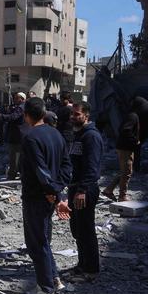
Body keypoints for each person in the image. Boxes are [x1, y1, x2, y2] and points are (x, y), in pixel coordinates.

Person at [18, 97, 72, 294]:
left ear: (27, 115)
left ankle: (45, 289)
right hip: (48, 196)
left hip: (36, 197)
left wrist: (51, 190)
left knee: (36, 243)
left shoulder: (30, 138)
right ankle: (54, 278)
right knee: (44, 240)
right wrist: (58, 191)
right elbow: (67, 166)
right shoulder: (56, 134)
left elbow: (40, 170)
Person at [56, 102, 103, 283]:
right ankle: (82, 265)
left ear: (86, 116)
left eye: (77, 114)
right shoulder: (79, 135)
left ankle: (91, 270)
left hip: (86, 189)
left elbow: (92, 167)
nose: (73, 117)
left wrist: (82, 190)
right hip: (76, 187)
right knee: (77, 229)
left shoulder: (91, 136)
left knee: (86, 229)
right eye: (72, 114)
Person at [102, 96, 148, 202]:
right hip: (125, 148)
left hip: (125, 147)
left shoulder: (132, 115)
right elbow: (125, 130)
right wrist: (135, 141)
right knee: (126, 172)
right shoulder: (133, 116)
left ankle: (109, 190)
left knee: (124, 171)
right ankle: (122, 196)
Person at [0, 92, 26, 180]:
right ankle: (19, 174)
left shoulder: (21, 108)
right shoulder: (19, 107)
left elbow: (13, 117)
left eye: (17, 98)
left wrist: (0, 115)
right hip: (18, 135)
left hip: (17, 136)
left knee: (14, 156)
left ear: (22, 99)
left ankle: (12, 175)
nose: (15, 99)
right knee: (17, 157)